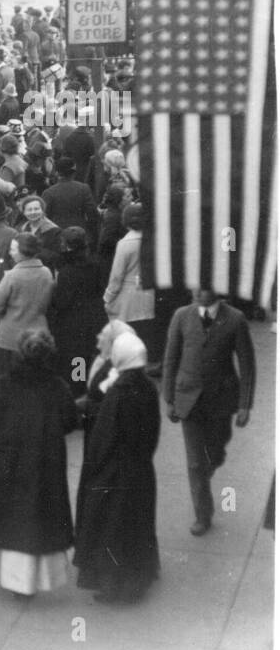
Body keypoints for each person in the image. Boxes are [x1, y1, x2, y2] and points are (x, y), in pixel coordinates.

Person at [0, 330, 77, 596]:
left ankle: (11, 577)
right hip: (46, 461)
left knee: (11, 514)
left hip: (9, 459)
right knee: (42, 514)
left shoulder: (3, 383)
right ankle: (40, 578)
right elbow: (70, 421)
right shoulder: (57, 385)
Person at [75, 331, 161, 603]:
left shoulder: (119, 393)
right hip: (140, 469)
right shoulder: (148, 387)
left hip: (115, 472)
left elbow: (104, 438)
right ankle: (138, 579)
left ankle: (115, 588)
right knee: (136, 528)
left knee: (112, 531)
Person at [162, 289, 255, 536]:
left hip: (221, 401)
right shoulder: (181, 316)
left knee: (215, 451)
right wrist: (169, 398)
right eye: (196, 286)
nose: (200, 292)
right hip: (188, 399)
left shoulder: (235, 319)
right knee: (194, 463)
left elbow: (247, 363)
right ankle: (202, 515)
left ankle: (211, 463)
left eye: (206, 286)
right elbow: (170, 359)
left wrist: (245, 404)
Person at [48, 226, 109, 396]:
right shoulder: (96, 264)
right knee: (93, 357)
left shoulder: (66, 271)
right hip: (96, 318)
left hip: (73, 324)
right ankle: (94, 389)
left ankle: (78, 390)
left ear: (66, 246)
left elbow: (61, 302)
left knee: (78, 359)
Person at [0, 231, 54, 378]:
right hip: (39, 336)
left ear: (24, 252)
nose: (10, 253)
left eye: (13, 249)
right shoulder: (47, 273)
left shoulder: (12, 276)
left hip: (10, 339)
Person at [102, 202, 155, 350]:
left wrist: (108, 298)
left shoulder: (125, 243)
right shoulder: (152, 240)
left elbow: (117, 277)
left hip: (127, 298)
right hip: (148, 294)